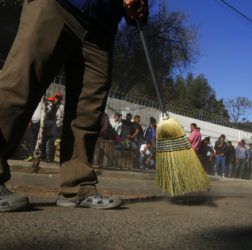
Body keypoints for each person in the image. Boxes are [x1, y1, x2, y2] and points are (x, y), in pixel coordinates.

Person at [0, 0, 149, 212]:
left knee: (88, 110)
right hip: (56, 5)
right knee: (20, 85)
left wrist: (137, 8)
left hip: (101, 28)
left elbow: (136, 9)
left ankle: (78, 186)